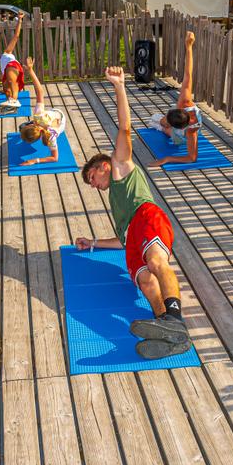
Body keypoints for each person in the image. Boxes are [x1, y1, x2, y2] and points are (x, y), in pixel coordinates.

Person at [76, 66, 189, 359]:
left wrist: (119, 86)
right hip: (131, 237)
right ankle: (169, 333)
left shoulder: (120, 167)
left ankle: (174, 319)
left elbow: (125, 129)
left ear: (103, 166)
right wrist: (93, 242)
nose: (94, 186)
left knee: (156, 262)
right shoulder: (116, 200)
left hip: (147, 217)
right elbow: (122, 240)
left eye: (92, 178)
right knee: (146, 282)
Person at [145, 31, 201, 167]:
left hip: (181, 133)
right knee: (158, 120)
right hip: (180, 121)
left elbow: (192, 158)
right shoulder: (184, 101)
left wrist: (167, 159)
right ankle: (163, 124)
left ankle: (164, 128)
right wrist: (189, 46)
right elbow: (188, 73)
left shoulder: (191, 131)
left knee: (162, 126)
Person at [18, 56, 66, 166]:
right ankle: (33, 125)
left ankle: (37, 125)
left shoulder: (51, 137)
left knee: (21, 127)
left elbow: (55, 158)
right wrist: (30, 71)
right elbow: (40, 91)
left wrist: (34, 160)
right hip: (55, 115)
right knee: (22, 127)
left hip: (60, 121)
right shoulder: (39, 117)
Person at [0, 12, 25, 114]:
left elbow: (16, 36)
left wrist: (20, 20)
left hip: (13, 66)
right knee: (6, 88)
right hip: (11, 74)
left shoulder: (5, 54)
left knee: (9, 79)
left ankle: (13, 101)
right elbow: (7, 87)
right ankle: (11, 104)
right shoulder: (3, 72)